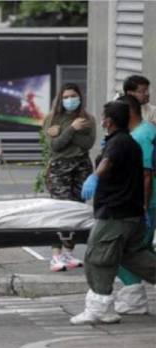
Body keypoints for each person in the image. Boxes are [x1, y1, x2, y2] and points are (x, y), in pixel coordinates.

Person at [70, 100, 156, 325]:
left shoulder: (119, 143)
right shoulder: (129, 142)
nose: (101, 119)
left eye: (103, 115)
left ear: (108, 120)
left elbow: (108, 161)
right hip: (131, 213)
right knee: (134, 256)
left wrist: (95, 176)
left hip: (115, 214)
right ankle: (111, 306)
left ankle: (100, 309)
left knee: (98, 258)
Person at [43, 83, 96, 272]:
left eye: (73, 96)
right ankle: (55, 255)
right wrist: (72, 128)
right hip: (59, 166)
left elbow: (88, 143)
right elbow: (56, 146)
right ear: (60, 99)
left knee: (76, 209)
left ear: (80, 97)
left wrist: (65, 134)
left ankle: (68, 252)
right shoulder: (52, 118)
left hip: (81, 165)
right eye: (66, 97)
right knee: (59, 210)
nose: (70, 100)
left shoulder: (88, 118)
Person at [113, 95, 156, 315]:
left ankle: (134, 296)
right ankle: (133, 296)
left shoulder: (140, 136)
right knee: (138, 250)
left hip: (144, 203)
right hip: (141, 202)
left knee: (126, 251)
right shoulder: (146, 130)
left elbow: (146, 175)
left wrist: (142, 206)